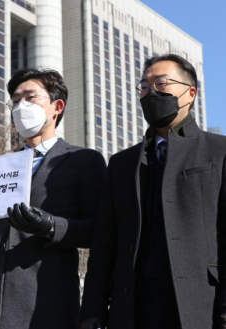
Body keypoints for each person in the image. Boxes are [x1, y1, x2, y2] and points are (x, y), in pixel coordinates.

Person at [0, 68, 107, 329]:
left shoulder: (83, 160)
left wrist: (50, 226)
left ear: (57, 106)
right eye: (16, 101)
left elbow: (100, 229)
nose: (21, 106)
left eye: (31, 98)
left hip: (48, 304)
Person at [80, 54, 226, 329]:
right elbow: (104, 245)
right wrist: (92, 310)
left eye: (161, 84)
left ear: (189, 93)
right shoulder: (122, 164)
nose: (150, 93)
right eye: (144, 87)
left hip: (200, 304)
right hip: (133, 306)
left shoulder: (219, 151)